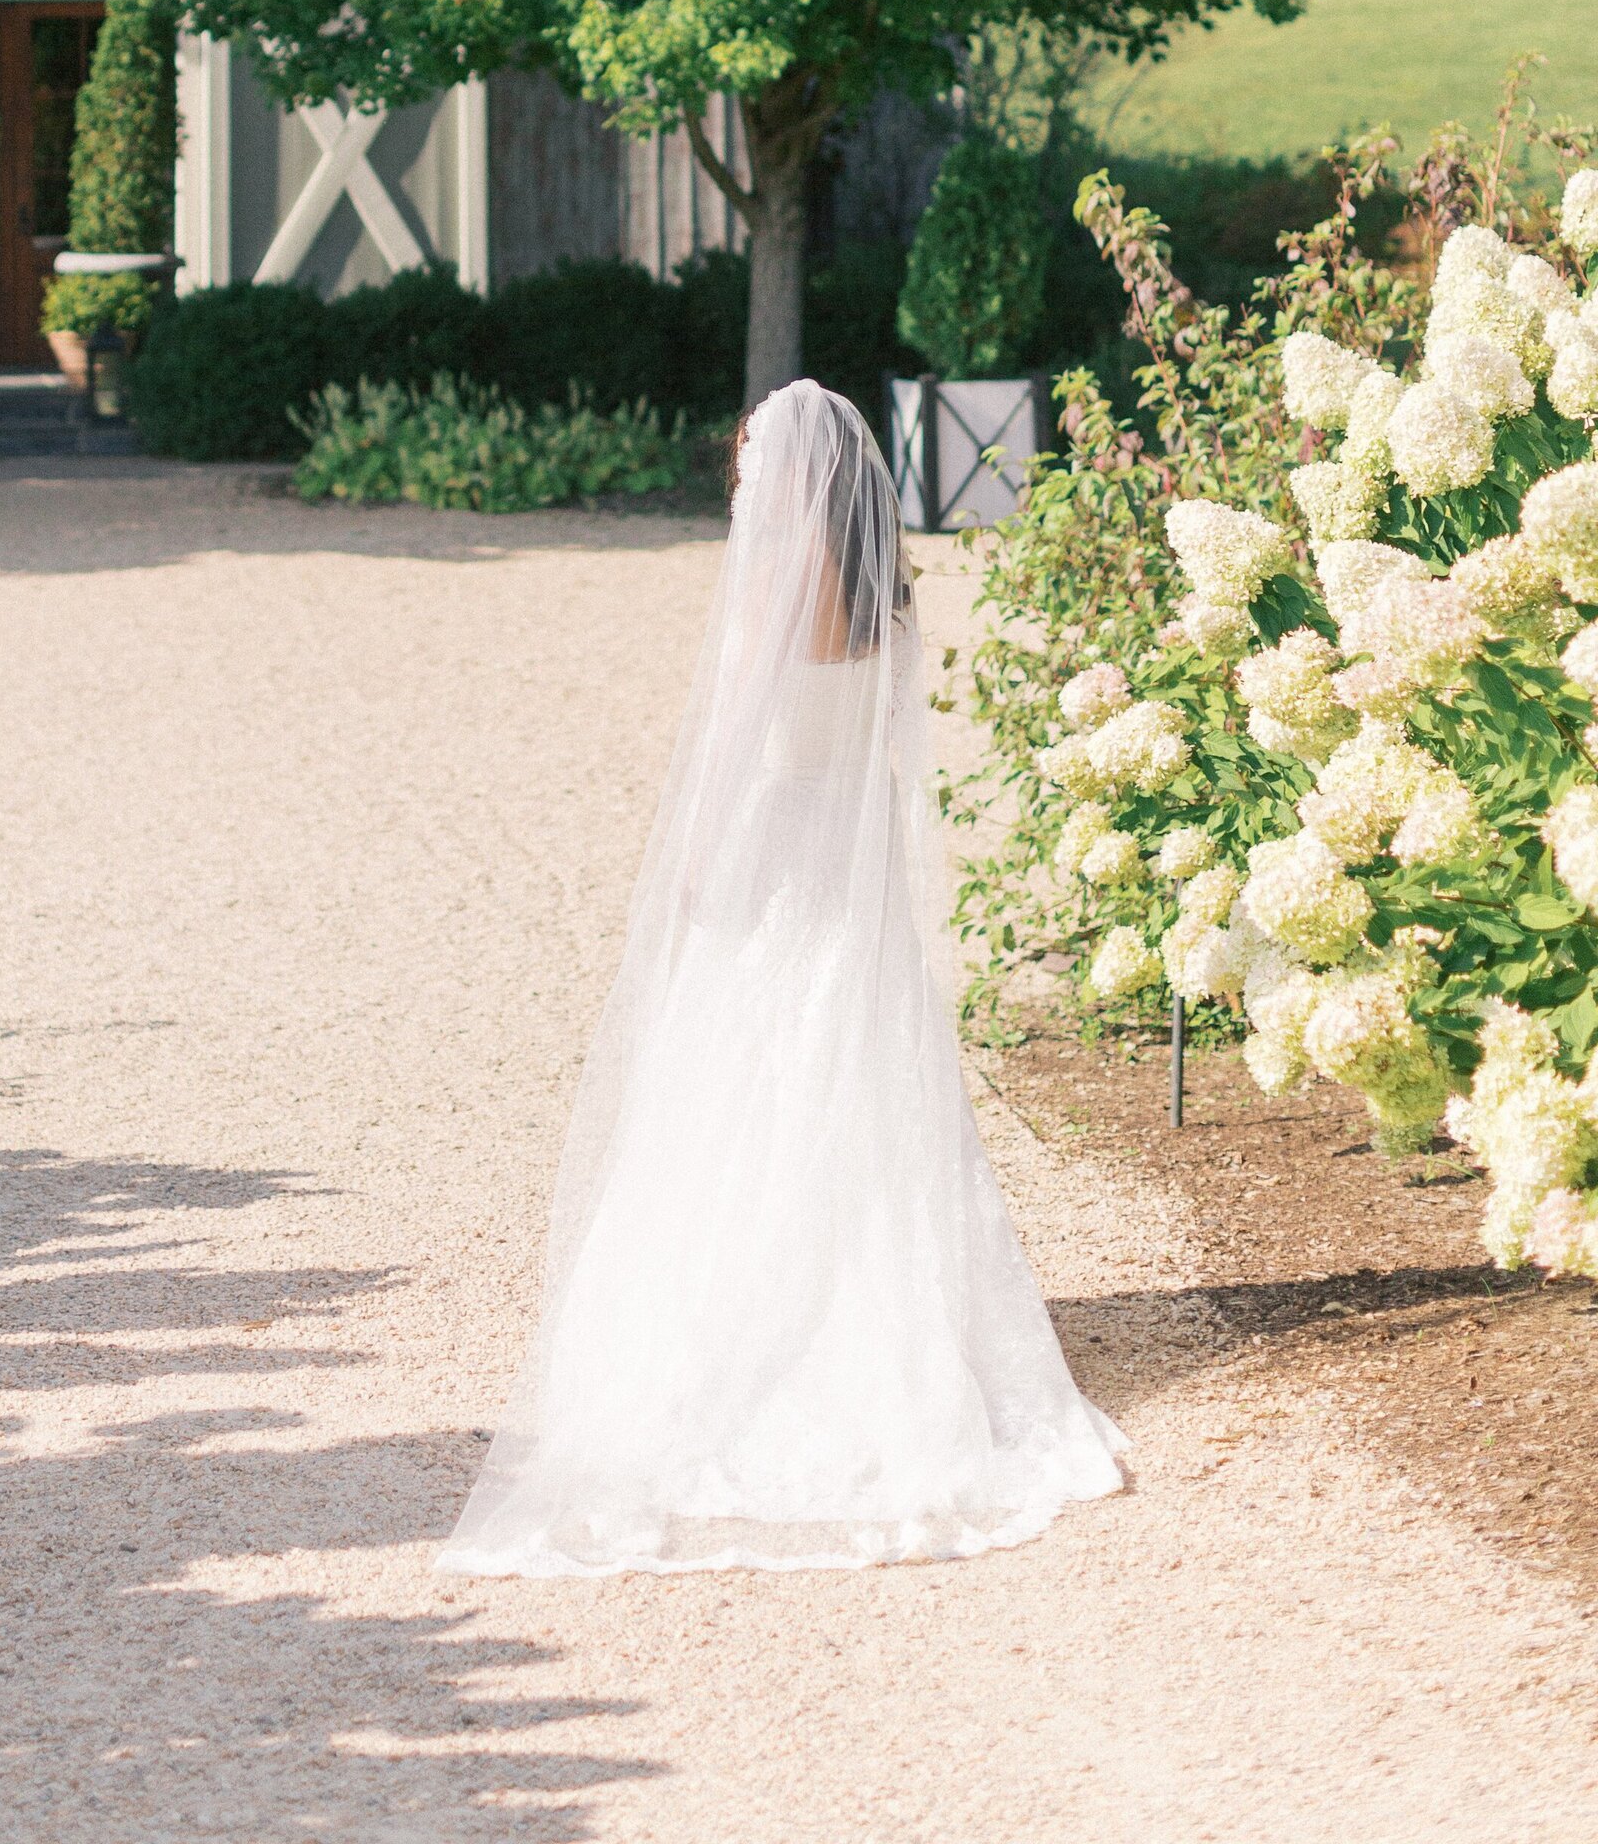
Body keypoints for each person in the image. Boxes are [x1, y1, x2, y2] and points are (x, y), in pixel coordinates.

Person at [441, 379, 1123, 1576]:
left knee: (736, 1084)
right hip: (848, 862)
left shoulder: (772, 587)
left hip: (774, 844)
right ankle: (905, 1322)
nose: (743, 488)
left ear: (795, 483)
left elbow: (732, 732)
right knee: (856, 1076)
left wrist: (695, 857)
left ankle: (752, 1341)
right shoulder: (885, 596)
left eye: (755, 469)